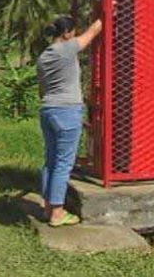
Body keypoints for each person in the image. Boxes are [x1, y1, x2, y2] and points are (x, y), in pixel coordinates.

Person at [36, 16, 102, 227]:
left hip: (48, 110)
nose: (75, 35)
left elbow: (42, 90)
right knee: (64, 164)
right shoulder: (66, 49)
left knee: (51, 161)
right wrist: (109, 8)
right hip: (67, 111)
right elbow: (91, 34)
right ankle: (57, 213)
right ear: (66, 33)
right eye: (73, 32)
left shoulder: (43, 57)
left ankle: (48, 208)